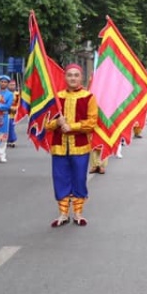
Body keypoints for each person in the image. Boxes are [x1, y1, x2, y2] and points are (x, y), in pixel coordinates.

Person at [46, 64, 98, 227]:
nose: (73, 78)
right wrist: (56, 123)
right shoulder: (56, 97)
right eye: (69, 75)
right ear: (65, 77)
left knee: (79, 179)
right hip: (59, 147)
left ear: (81, 77)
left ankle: (78, 213)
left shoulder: (88, 97)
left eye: (76, 75)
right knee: (60, 179)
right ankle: (63, 214)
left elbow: (92, 123)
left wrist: (72, 126)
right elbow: (45, 124)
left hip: (80, 147)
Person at [7, 77, 20, 148]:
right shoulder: (5, 93)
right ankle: (8, 140)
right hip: (5, 112)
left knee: (11, 127)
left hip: (13, 113)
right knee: (6, 127)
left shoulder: (17, 94)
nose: (12, 86)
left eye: (13, 85)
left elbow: (19, 104)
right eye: (11, 85)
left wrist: (15, 109)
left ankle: (12, 140)